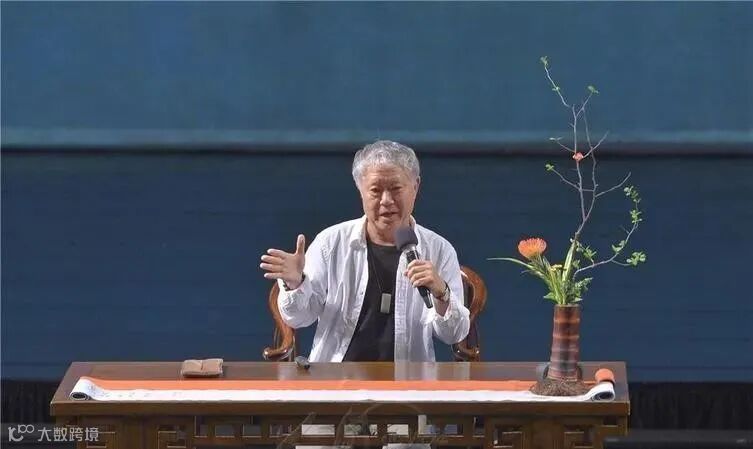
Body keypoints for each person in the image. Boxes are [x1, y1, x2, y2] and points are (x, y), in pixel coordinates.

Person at [260, 140, 470, 362]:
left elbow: (454, 334)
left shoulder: (439, 250)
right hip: (336, 376)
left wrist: (441, 293)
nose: (386, 201)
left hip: (408, 378)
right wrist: (295, 284)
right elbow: (299, 318)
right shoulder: (330, 243)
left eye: (396, 189)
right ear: (360, 190)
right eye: (376, 190)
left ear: (415, 187)